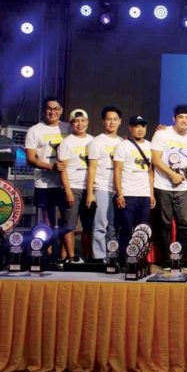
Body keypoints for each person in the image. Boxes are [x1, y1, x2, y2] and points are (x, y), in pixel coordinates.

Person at [151, 104, 187, 268]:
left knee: (185, 222)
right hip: (163, 185)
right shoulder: (162, 134)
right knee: (165, 224)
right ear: (174, 119)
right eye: (181, 117)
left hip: (183, 187)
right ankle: (167, 260)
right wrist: (172, 174)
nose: (184, 120)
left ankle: (181, 259)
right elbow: (156, 160)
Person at [25, 96, 70, 257]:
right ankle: (47, 254)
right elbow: (30, 158)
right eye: (49, 108)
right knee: (47, 221)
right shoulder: (35, 130)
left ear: (61, 110)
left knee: (67, 221)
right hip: (44, 183)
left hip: (65, 184)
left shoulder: (68, 128)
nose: (53, 112)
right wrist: (51, 167)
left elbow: (84, 143)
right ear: (44, 110)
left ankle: (65, 257)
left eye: (56, 109)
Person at [113, 115, 155, 260]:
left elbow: (150, 172)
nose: (140, 129)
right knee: (126, 228)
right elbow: (117, 171)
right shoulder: (123, 146)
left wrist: (152, 194)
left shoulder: (151, 146)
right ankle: (124, 259)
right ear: (130, 128)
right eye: (136, 126)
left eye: (142, 126)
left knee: (142, 229)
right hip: (128, 193)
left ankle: (140, 259)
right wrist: (119, 194)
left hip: (144, 195)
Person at [85, 105, 123, 261]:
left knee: (114, 225)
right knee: (101, 224)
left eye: (115, 119)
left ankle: (112, 256)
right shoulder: (96, 142)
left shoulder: (122, 142)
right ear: (103, 121)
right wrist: (90, 193)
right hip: (102, 187)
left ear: (120, 121)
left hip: (119, 189)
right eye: (108, 119)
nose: (112, 122)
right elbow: (92, 168)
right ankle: (100, 257)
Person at [57, 109, 95, 263]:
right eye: (76, 121)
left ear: (87, 122)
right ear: (72, 123)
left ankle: (87, 257)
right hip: (72, 187)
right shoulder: (66, 142)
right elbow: (62, 169)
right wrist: (67, 191)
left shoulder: (93, 140)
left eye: (83, 120)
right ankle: (71, 257)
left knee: (88, 226)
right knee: (69, 226)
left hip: (90, 189)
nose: (80, 124)